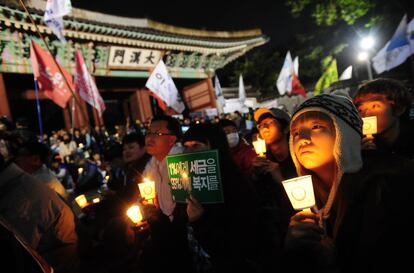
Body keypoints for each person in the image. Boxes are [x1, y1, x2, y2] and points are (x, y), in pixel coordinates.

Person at [283, 93, 414, 272]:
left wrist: (337, 260)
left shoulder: (387, 184)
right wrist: (294, 247)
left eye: (317, 126)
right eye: (296, 132)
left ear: (345, 134)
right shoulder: (301, 194)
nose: (303, 139)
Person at [182, 123, 261, 272]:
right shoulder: (187, 183)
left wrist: (199, 220)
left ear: (215, 146)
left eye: (197, 146)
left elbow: (237, 244)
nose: (189, 152)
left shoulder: (236, 185)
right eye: (186, 147)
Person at [0, 151, 79, 273]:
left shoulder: (20, 196)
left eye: (19, 159)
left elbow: (21, 255)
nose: (17, 162)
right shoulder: (18, 186)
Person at [140, 115, 193, 273]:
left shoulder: (181, 161)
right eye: (149, 133)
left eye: (157, 134)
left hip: (184, 236)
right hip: (163, 230)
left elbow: (183, 209)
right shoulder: (152, 163)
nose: (150, 138)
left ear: (172, 139)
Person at [353, 78, 414, 158]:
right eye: (360, 109)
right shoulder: (358, 143)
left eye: (374, 106)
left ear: (399, 109)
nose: (366, 113)